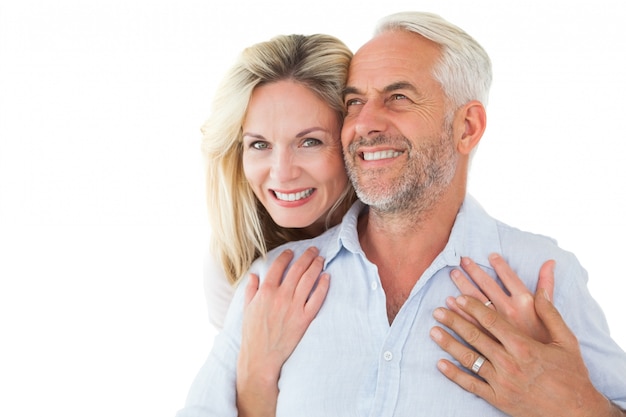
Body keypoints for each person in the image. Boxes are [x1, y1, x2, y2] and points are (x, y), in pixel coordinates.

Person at [180, 11, 626, 417]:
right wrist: (256, 380)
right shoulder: (271, 284)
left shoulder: (542, 279)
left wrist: (577, 406)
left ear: (466, 127)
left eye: (397, 97)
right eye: (354, 102)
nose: (364, 123)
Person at [200, 32, 357, 331]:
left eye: (309, 142)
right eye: (260, 145)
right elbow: (231, 376)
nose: (282, 173)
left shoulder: (396, 236)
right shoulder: (232, 260)